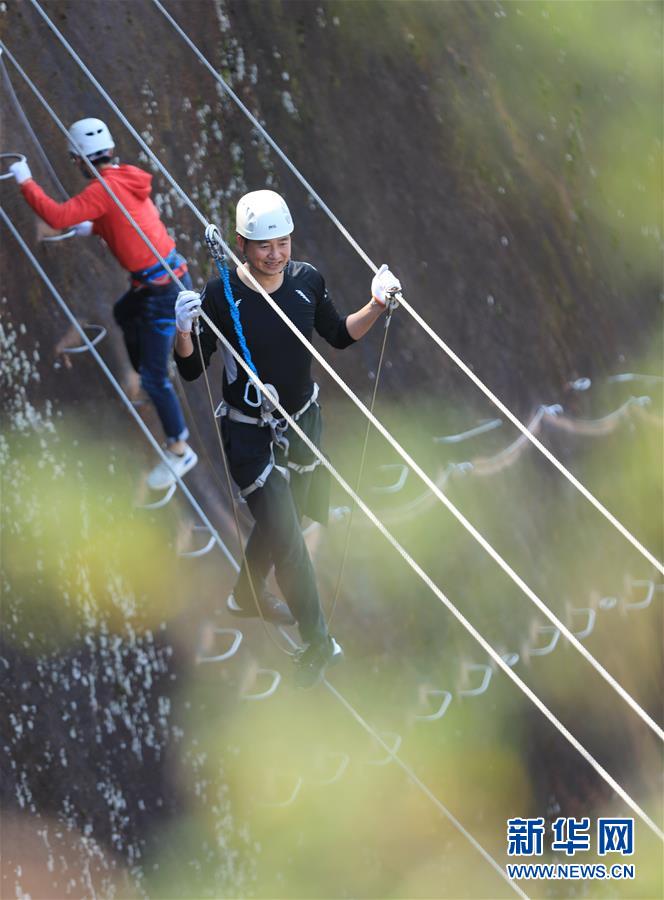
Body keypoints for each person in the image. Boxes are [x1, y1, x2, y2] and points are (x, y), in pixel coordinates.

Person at [173, 189, 401, 687]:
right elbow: (192, 371)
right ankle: (318, 642)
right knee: (290, 539)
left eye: (282, 242)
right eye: (262, 245)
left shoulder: (306, 281)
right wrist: (184, 331)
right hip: (249, 434)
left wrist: (378, 304)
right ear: (240, 244)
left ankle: (246, 594)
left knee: (286, 519)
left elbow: (339, 334)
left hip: (300, 423)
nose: (274, 253)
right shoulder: (220, 296)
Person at [9, 117, 197, 490]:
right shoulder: (124, 176)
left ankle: (179, 448)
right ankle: (147, 377)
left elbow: (57, 215)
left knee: (156, 378)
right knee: (123, 313)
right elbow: (128, 219)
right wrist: (92, 227)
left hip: (163, 294)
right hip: (159, 283)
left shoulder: (102, 190)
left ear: (80, 160)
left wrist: (24, 179)